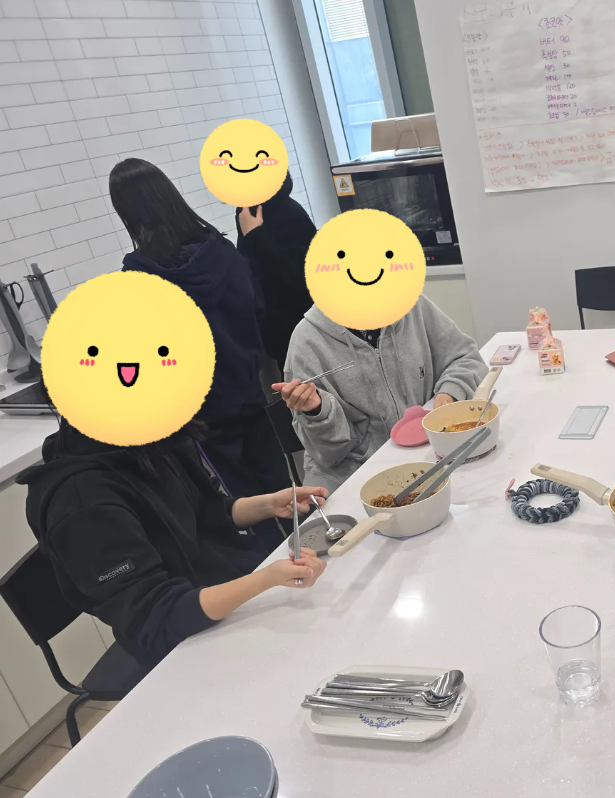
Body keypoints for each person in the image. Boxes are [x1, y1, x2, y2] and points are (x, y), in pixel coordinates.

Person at [17, 419, 328, 669]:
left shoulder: (148, 444)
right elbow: (157, 618)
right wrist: (266, 579)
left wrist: (270, 504)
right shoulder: (82, 503)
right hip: (186, 648)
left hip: (229, 596)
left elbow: (204, 513)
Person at [110, 159, 289, 545]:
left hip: (202, 413)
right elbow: (258, 307)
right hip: (249, 391)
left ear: (127, 214)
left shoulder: (139, 281)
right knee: (284, 487)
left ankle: (277, 569)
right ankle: (317, 551)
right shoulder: (222, 252)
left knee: (241, 504)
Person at [276, 297, 489, 492]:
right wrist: (317, 413)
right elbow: (328, 456)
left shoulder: (411, 306)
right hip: (353, 480)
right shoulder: (307, 341)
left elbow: (465, 357)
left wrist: (450, 392)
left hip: (426, 458)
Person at [236, 173, 317, 374]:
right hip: (280, 330)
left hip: (299, 330)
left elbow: (298, 277)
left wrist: (254, 236)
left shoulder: (287, 213)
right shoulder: (249, 212)